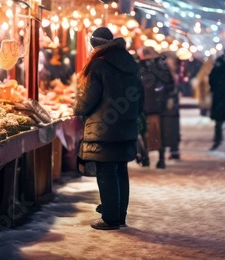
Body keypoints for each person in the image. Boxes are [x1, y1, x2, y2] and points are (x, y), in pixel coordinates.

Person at [73, 27, 144, 230]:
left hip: (103, 128)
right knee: (120, 169)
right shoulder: (130, 63)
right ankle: (119, 214)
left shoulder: (98, 66)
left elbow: (87, 99)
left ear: (96, 45)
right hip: (125, 127)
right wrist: (130, 117)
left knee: (106, 171)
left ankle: (111, 218)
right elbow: (140, 97)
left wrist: (76, 107)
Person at [137, 46, 175, 168]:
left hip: (156, 105)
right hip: (150, 105)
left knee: (156, 132)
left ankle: (157, 158)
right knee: (149, 132)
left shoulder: (157, 67)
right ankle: (149, 157)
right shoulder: (145, 66)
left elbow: (169, 84)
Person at [160, 51, 181, 161]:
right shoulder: (166, 72)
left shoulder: (170, 72)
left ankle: (173, 150)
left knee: (171, 128)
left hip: (170, 106)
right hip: (168, 105)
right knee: (168, 128)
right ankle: (172, 150)